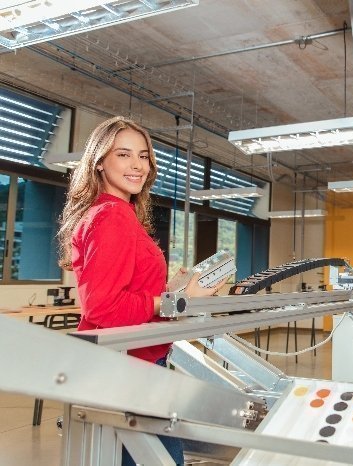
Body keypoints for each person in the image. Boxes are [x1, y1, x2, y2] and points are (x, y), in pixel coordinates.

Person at [57, 116, 225, 465]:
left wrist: (172, 288)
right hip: (129, 370)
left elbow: (122, 290)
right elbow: (103, 308)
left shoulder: (115, 214)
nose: (137, 165)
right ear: (100, 162)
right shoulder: (111, 217)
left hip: (135, 364)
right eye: (123, 154)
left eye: (143, 156)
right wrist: (178, 299)